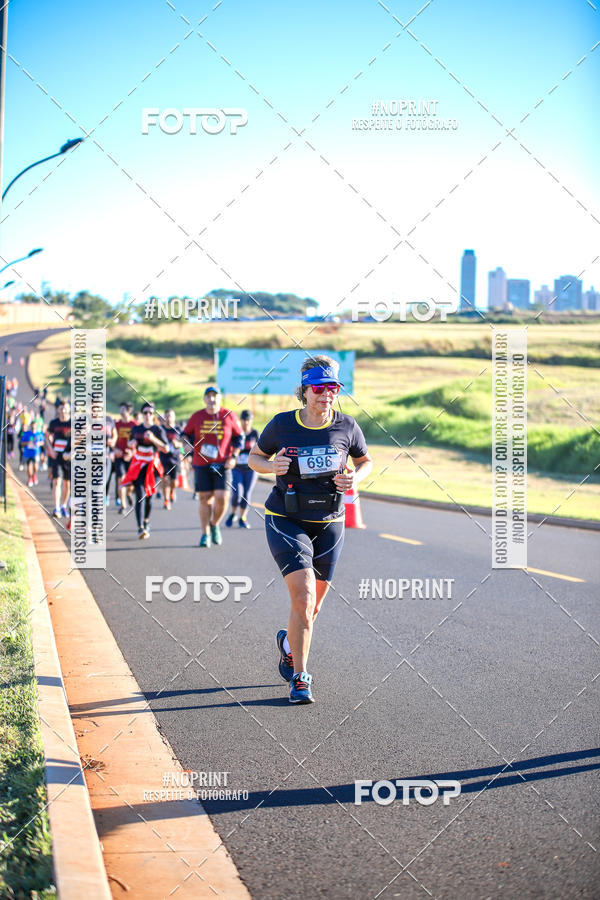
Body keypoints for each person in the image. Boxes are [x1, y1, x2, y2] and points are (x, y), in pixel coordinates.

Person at [249, 356, 372, 704]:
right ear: (304, 391)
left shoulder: (347, 426)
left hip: (330, 523)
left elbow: (366, 461)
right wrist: (271, 464)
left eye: (332, 388)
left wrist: (355, 479)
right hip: (286, 518)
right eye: (319, 388)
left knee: (312, 609)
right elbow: (253, 458)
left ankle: (289, 646)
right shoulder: (282, 424)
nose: (326, 395)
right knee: (302, 598)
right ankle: (300, 679)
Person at [183, 386, 242, 548]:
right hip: (201, 464)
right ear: (204, 399)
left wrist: (234, 456)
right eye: (208, 396)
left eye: (215, 396)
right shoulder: (197, 416)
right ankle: (205, 533)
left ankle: (215, 524)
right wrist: (186, 444)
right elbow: (185, 434)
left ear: (219, 398)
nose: (212, 399)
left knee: (222, 497)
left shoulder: (228, 415)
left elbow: (239, 437)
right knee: (204, 498)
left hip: (223, 464)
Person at [121, 402, 168, 539]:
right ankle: (140, 527)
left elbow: (166, 448)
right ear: (142, 414)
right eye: (145, 412)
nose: (148, 415)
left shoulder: (158, 430)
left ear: (153, 415)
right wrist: (132, 444)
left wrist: (153, 439)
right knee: (140, 495)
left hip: (152, 467)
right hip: (139, 466)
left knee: (149, 496)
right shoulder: (136, 429)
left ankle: (146, 520)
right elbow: (130, 444)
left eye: (150, 413)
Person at [226, 409, 258, 528]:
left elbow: (262, 448)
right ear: (241, 420)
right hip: (237, 468)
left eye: (248, 420)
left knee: (247, 493)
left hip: (251, 468)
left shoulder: (255, 433)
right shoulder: (237, 433)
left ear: (251, 420)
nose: (246, 422)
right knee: (237, 493)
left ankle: (242, 518)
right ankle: (232, 513)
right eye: (244, 420)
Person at [46, 400, 72, 517]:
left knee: (67, 483)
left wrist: (72, 452)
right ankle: (56, 508)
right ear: (58, 410)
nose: (63, 411)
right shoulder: (54, 423)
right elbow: (47, 435)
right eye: (61, 409)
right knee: (56, 481)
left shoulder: (72, 423)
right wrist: (50, 449)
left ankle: (63, 506)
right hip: (56, 455)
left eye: (65, 409)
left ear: (69, 410)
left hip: (68, 457)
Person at [112, 402, 136, 512]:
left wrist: (132, 452)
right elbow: (112, 439)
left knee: (131, 482)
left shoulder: (134, 425)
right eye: (120, 409)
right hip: (119, 456)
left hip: (131, 456)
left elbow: (139, 442)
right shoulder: (116, 425)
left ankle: (129, 493)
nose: (121, 411)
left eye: (123, 409)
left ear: (129, 411)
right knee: (120, 479)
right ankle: (123, 505)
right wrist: (114, 449)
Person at [159, 409, 183, 509]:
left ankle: (172, 491)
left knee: (174, 482)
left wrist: (177, 444)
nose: (169, 418)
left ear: (174, 417)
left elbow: (184, 443)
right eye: (167, 416)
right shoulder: (160, 429)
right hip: (163, 458)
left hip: (175, 458)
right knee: (165, 479)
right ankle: (166, 500)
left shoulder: (178, 429)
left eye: (171, 416)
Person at [20, 418, 45, 487]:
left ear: (36, 426)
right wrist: (28, 443)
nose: (33, 426)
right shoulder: (27, 433)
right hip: (28, 453)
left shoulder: (39, 434)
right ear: (31, 426)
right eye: (32, 425)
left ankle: (34, 475)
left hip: (36, 453)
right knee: (29, 467)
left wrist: (38, 443)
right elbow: (22, 443)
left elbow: (43, 442)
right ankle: (29, 479)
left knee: (35, 467)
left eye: (35, 425)